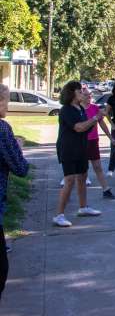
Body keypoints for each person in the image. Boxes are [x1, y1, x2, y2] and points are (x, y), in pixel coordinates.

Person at [53, 81, 103, 227]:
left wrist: (96, 119)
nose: (83, 94)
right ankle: (59, 215)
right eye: (80, 91)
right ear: (72, 93)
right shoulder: (66, 110)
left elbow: (85, 128)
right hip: (67, 149)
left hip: (81, 147)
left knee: (82, 176)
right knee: (69, 180)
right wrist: (94, 119)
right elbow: (79, 128)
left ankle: (83, 207)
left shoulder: (80, 108)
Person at [0, 84, 29, 299]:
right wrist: (17, 146)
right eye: (6, 101)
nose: (8, 106)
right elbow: (20, 167)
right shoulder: (2, 129)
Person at [80, 88, 115, 199]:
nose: (89, 97)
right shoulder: (78, 109)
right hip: (81, 141)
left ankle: (106, 189)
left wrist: (110, 137)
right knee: (81, 169)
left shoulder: (95, 108)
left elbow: (102, 124)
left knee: (97, 166)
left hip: (93, 141)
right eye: (86, 95)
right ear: (81, 96)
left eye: (90, 95)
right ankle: (72, 190)